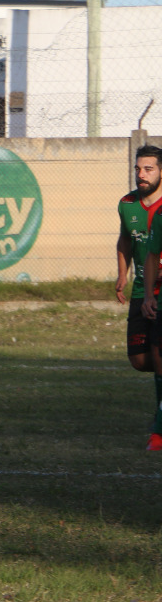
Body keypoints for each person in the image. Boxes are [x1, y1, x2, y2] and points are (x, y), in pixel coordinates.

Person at [124, 145, 162, 450]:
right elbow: (135, 246)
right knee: (140, 359)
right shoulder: (127, 204)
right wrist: (122, 274)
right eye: (138, 169)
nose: (142, 174)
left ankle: (158, 427)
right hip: (142, 291)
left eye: (148, 169)